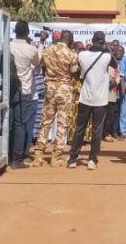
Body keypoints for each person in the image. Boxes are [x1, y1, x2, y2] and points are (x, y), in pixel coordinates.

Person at [68, 31, 115, 170]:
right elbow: (115, 63)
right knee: (97, 130)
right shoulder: (106, 56)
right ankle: (92, 160)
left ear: (92, 40)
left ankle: (72, 159)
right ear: (103, 41)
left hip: (85, 98)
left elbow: (76, 69)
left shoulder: (82, 54)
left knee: (79, 129)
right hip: (100, 100)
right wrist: (108, 47)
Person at [33, 30, 79, 167]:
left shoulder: (47, 50)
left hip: (50, 89)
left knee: (45, 121)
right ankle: (56, 156)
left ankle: (38, 155)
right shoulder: (71, 54)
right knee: (62, 123)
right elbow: (73, 71)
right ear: (70, 40)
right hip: (64, 89)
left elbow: (41, 66)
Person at [9, 20, 40, 169]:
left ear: (15, 31)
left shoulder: (7, 45)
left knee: (6, 123)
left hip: (8, 89)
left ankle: (6, 154)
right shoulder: (31, 50)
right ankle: (16, 159)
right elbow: (37, 63)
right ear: (27, 33)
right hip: (25, 90)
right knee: (20, 124)